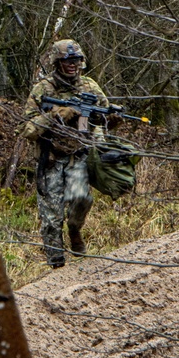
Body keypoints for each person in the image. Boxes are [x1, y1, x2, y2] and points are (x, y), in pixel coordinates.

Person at [19, 39, 108, 268]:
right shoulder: (43, 89)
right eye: (67, 60)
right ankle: (56, 264)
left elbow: (104, 117)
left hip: (78, 155)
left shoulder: (89, 86)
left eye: (76, 60)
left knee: (82, 199)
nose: (72, 64)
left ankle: (75, 229)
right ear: (57, 62)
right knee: (51, 218)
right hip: (50, 159)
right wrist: (58, 115)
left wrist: (107, 117)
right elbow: (27, 129)